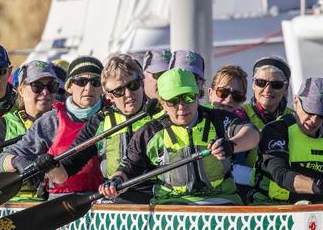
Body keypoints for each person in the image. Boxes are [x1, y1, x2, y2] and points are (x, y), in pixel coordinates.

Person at [96, 69, 260, 205]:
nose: (182, 107)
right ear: (161, 102)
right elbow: (128, 168)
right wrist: (115, 182)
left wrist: (231, 145)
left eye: (188, 97)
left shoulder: (217, 118)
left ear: (198, 96)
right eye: (173, 101)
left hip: (221, 201)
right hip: (172, 206)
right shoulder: (150, 132)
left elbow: (252, 134)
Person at [42, 54, 161, 203]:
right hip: (117, 202)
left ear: (142, 83)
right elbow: (63, 173)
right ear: (109, 96)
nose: (128, 95)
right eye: (119, 91)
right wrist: (48, 166)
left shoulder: (163, 114)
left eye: (132, 86)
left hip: (161, 201)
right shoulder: (99, 122)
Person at [0, 56, 105, 196]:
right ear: (69, 87)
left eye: (95, 82)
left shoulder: (113, 117)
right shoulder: (51, 121)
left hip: (108, 202)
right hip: (62, 201)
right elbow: (2, 160)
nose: (88, 88)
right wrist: (18, 161)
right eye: (81, 81)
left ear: (103, 88)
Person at [254, 78, 323, 203]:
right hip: (271, 208)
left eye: (322, 116)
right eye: (310, 111)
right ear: (296, 102)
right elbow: (282, 175)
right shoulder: (276, 130)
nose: (314, 121)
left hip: (316, 211)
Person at [0, 60, 58, 200]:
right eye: (37, 86)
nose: (45, 92)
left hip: (56, 201)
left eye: (51, 86)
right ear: (21, 90)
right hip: (15, 205)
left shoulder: (64, 120)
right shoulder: (5, 124)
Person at [242, 57, 293, 170]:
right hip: (247, 185)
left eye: (276, 84)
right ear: (253, 85)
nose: (268, 89)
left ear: (286, 88)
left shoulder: (295, 118)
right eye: (261, 83)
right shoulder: (240, 114)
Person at [206, 65, 252, 188]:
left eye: (237, 96)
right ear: (210, 94)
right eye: (222, 92)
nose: (229, 99)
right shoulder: (196, 118)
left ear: (243, 100)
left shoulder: (244, 125)